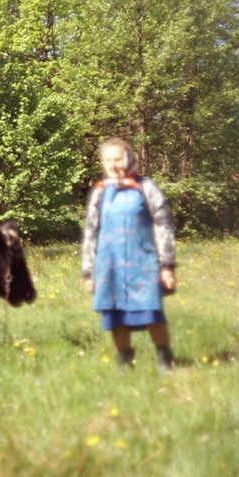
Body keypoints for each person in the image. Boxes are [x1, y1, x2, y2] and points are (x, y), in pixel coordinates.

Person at [81, 137, 176, 373]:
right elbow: (91, 232)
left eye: (118, 158)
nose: (114, 164)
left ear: (129, 158)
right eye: (109, 159)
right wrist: (88, 271)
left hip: (143, 264)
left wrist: (166, 265)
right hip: (109, 266)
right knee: (115, 318)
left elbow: (163, 224)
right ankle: (125, 362)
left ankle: (165, 359)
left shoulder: (146, 187)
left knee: (152, 314)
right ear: (103, 162)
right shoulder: (100, 192)